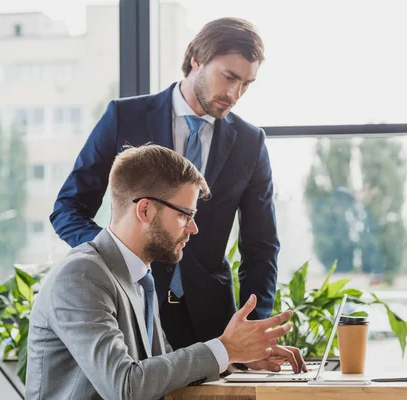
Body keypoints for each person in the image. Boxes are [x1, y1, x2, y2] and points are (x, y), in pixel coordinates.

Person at [51, 17, 279, 350]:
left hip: (210, 318)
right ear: (197, 59)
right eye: (229, 77)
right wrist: (116, 258)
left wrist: (255, 333)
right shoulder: (123, 117)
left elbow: (261, 246)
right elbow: (68, 209)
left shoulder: (249, 142)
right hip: (129, 303)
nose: (234, 93)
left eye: (246, 83)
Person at [27, 145, 305, 400]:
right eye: (185, 214)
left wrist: (237, 357)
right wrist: (225, 347)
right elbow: (125, 386)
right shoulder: (82, 276)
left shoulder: (140, 276)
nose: (194, 228)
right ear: (145, 210)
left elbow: (159, 371)